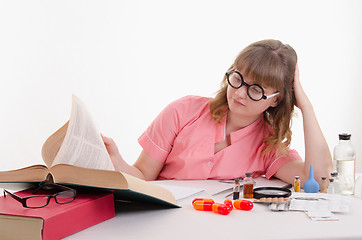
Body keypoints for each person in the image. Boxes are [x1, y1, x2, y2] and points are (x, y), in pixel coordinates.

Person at [102, 39, 332, 185]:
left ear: (275, 100)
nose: (240, 93)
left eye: (255, 89)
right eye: (237, 78)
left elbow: (319, 180)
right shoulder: (183, 111)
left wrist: (306, 107)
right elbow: (142, 178)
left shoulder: (269, 145)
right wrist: (115, 159)